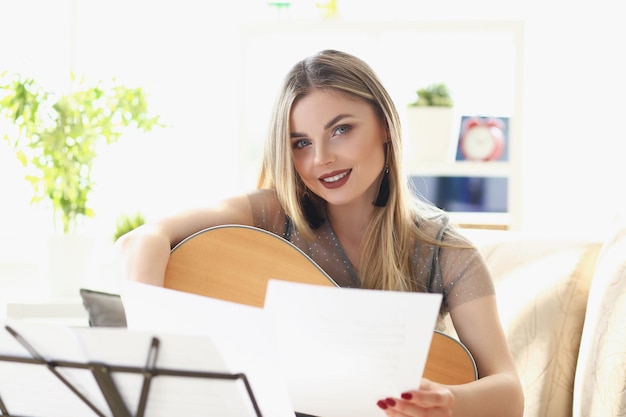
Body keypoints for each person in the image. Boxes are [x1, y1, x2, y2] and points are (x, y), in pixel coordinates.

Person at [116, 49, 524, 417]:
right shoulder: (272, 214)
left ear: (384, 125)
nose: (321, 159)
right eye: (300, 143)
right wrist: (147, 363)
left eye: (341, 130)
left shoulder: (443, 249)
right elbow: (141, 240)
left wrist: (451, 401)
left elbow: (509, 393)